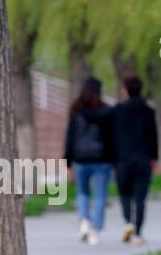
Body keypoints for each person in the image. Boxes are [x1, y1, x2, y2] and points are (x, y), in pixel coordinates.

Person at [65, 77, 115, 244]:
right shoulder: (106, 110)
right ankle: (95, 229)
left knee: (83, 193)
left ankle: (84, 221)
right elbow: (111, 138)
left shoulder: (76, 110)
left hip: (80, 158)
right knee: (100, 195)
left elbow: (70, 136)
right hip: (102, 158)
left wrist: (67, 159)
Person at [112, 77, 158, 245]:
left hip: (123, 160)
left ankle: (128, 223)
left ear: (126, 90)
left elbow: (112, 136)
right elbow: (153, 137)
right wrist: (154, 158)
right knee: (140, 197)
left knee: (124, 194)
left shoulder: (118, 110)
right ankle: (138, 233)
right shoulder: (148, 111)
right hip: (143, 159)